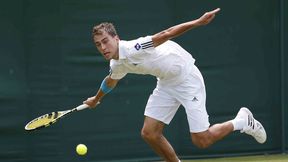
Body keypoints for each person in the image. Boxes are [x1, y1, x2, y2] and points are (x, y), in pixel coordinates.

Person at [83, 8, 267, 162]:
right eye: (98, 45)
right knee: (149, 133)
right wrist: (96, 99)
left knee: (202, 140)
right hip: (166, 83)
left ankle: (242, 121)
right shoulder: (116, 64)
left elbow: (166, 34)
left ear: (116, 38)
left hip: (187, 78)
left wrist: (197, 22)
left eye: (105, 41)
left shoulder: (134, 48)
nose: (103, 47)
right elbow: (111, 80)